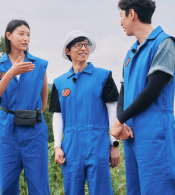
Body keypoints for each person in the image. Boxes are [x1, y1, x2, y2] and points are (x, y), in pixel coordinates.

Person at [110, 0, 175, 195]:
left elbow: (153, 89)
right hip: (133, 133)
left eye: (121, 16)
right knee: (136, 191)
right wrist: (121, 121)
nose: (121, 22)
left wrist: (120, 119)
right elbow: (123, 90)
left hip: (155, 131)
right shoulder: (131, 52)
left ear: (132, 14)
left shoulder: (164, 43)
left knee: (158, 189)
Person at [49, 30, 133, 195]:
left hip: (98, 144)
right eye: (78, 45)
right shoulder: (59, 83)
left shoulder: (103, 76)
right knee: (72, 190)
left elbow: (113, 113)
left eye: (86, 45)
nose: (83, 48)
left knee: (101, 190)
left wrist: (113, 144)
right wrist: (57, 146)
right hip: (71, 146)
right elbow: (57, 116)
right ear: (68, 50)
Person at [0, 19, 50, 195]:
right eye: (21, 34)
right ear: (9, 36)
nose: (26, 38)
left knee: (39, 186)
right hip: (6, 130)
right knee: (7, 186)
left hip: (34, 129)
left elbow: (43, 101)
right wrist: (11, 73)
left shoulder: (40, 65)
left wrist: (31, 116)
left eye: (28, 34)